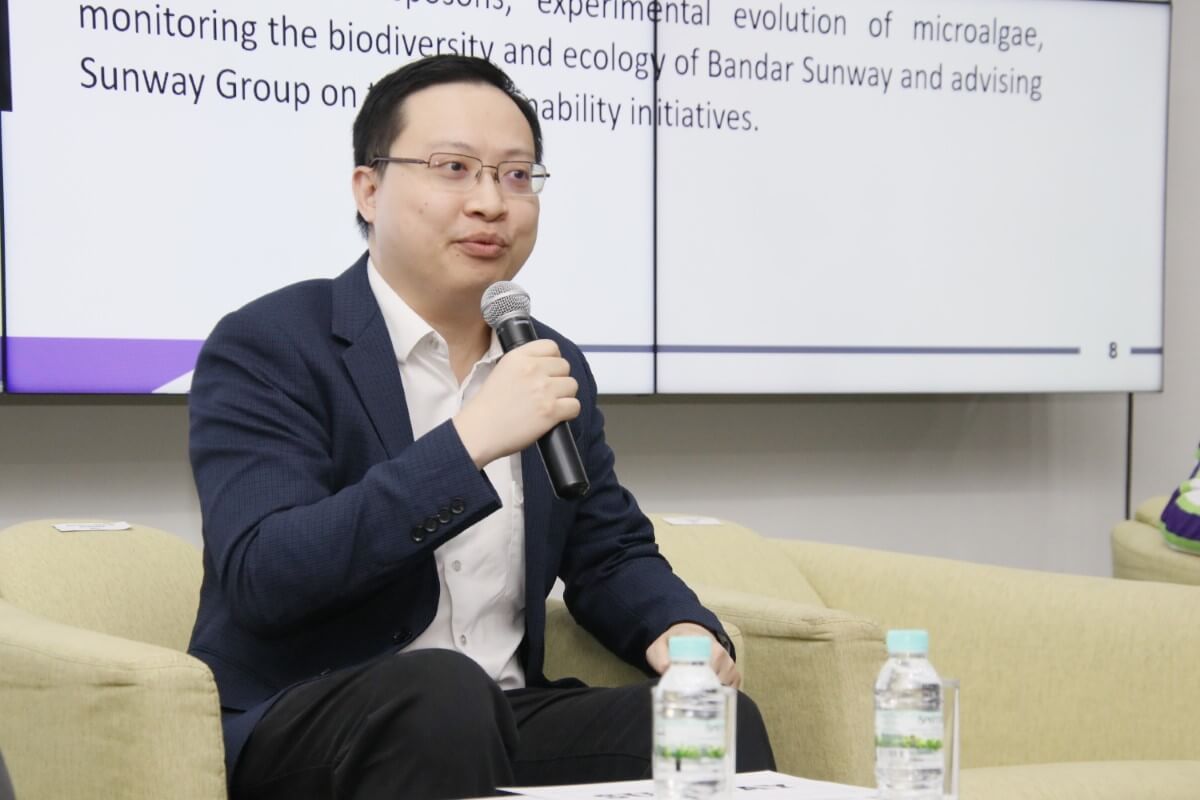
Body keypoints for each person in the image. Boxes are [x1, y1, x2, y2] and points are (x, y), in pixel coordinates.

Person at [187, 54, 775, 799]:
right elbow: (266, 571)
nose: (491, 203)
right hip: (311, 719)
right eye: (454, 168)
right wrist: (469, 441)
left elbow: (609, 551)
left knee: (714, 723)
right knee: (442, 693)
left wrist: (678, 629)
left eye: (516, 175)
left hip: (498, 714)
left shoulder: (543, 359)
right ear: (368, 189)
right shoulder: (273, 343)